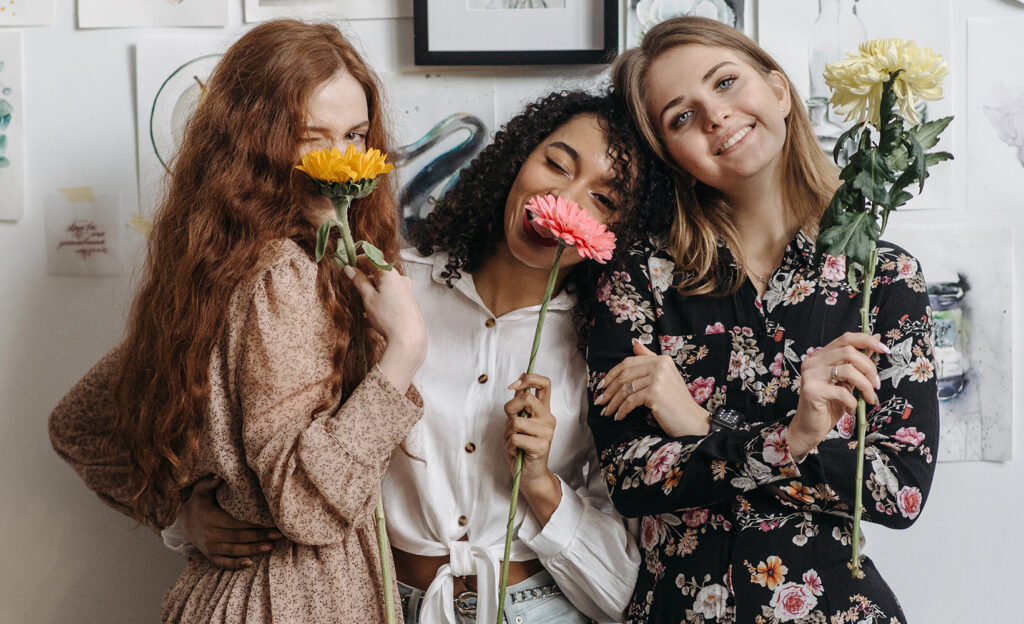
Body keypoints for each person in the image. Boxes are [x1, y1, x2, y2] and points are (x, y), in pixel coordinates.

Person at [167, 90, 676, 623]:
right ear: (518, 158)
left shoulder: (610, 350)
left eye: (605, 200)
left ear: (622, 232)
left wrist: (543, 487)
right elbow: (222, 420)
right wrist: (187, 521)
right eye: (555, 164)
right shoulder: (385, 283)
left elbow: (626, 598)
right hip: (381, 604)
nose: (565, 202)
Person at [48, 20, 426, 624]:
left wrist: (182, 518)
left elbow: (77, 423)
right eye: (313, 137)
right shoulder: (281, 274)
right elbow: (305, 506)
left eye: (355, 135)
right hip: (289, 604)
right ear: (253, 144)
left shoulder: (227, 269)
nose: (341, 161)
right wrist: (403, 351)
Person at [585, 17, 939, 624]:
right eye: (680, 117)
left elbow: (897, 489)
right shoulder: (636, 277)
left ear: (778, 89)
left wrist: (702, 422)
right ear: (669, 153)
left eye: (725, 83)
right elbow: (630, 477)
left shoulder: (881, 277)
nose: (714, 116)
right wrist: (795, 441)